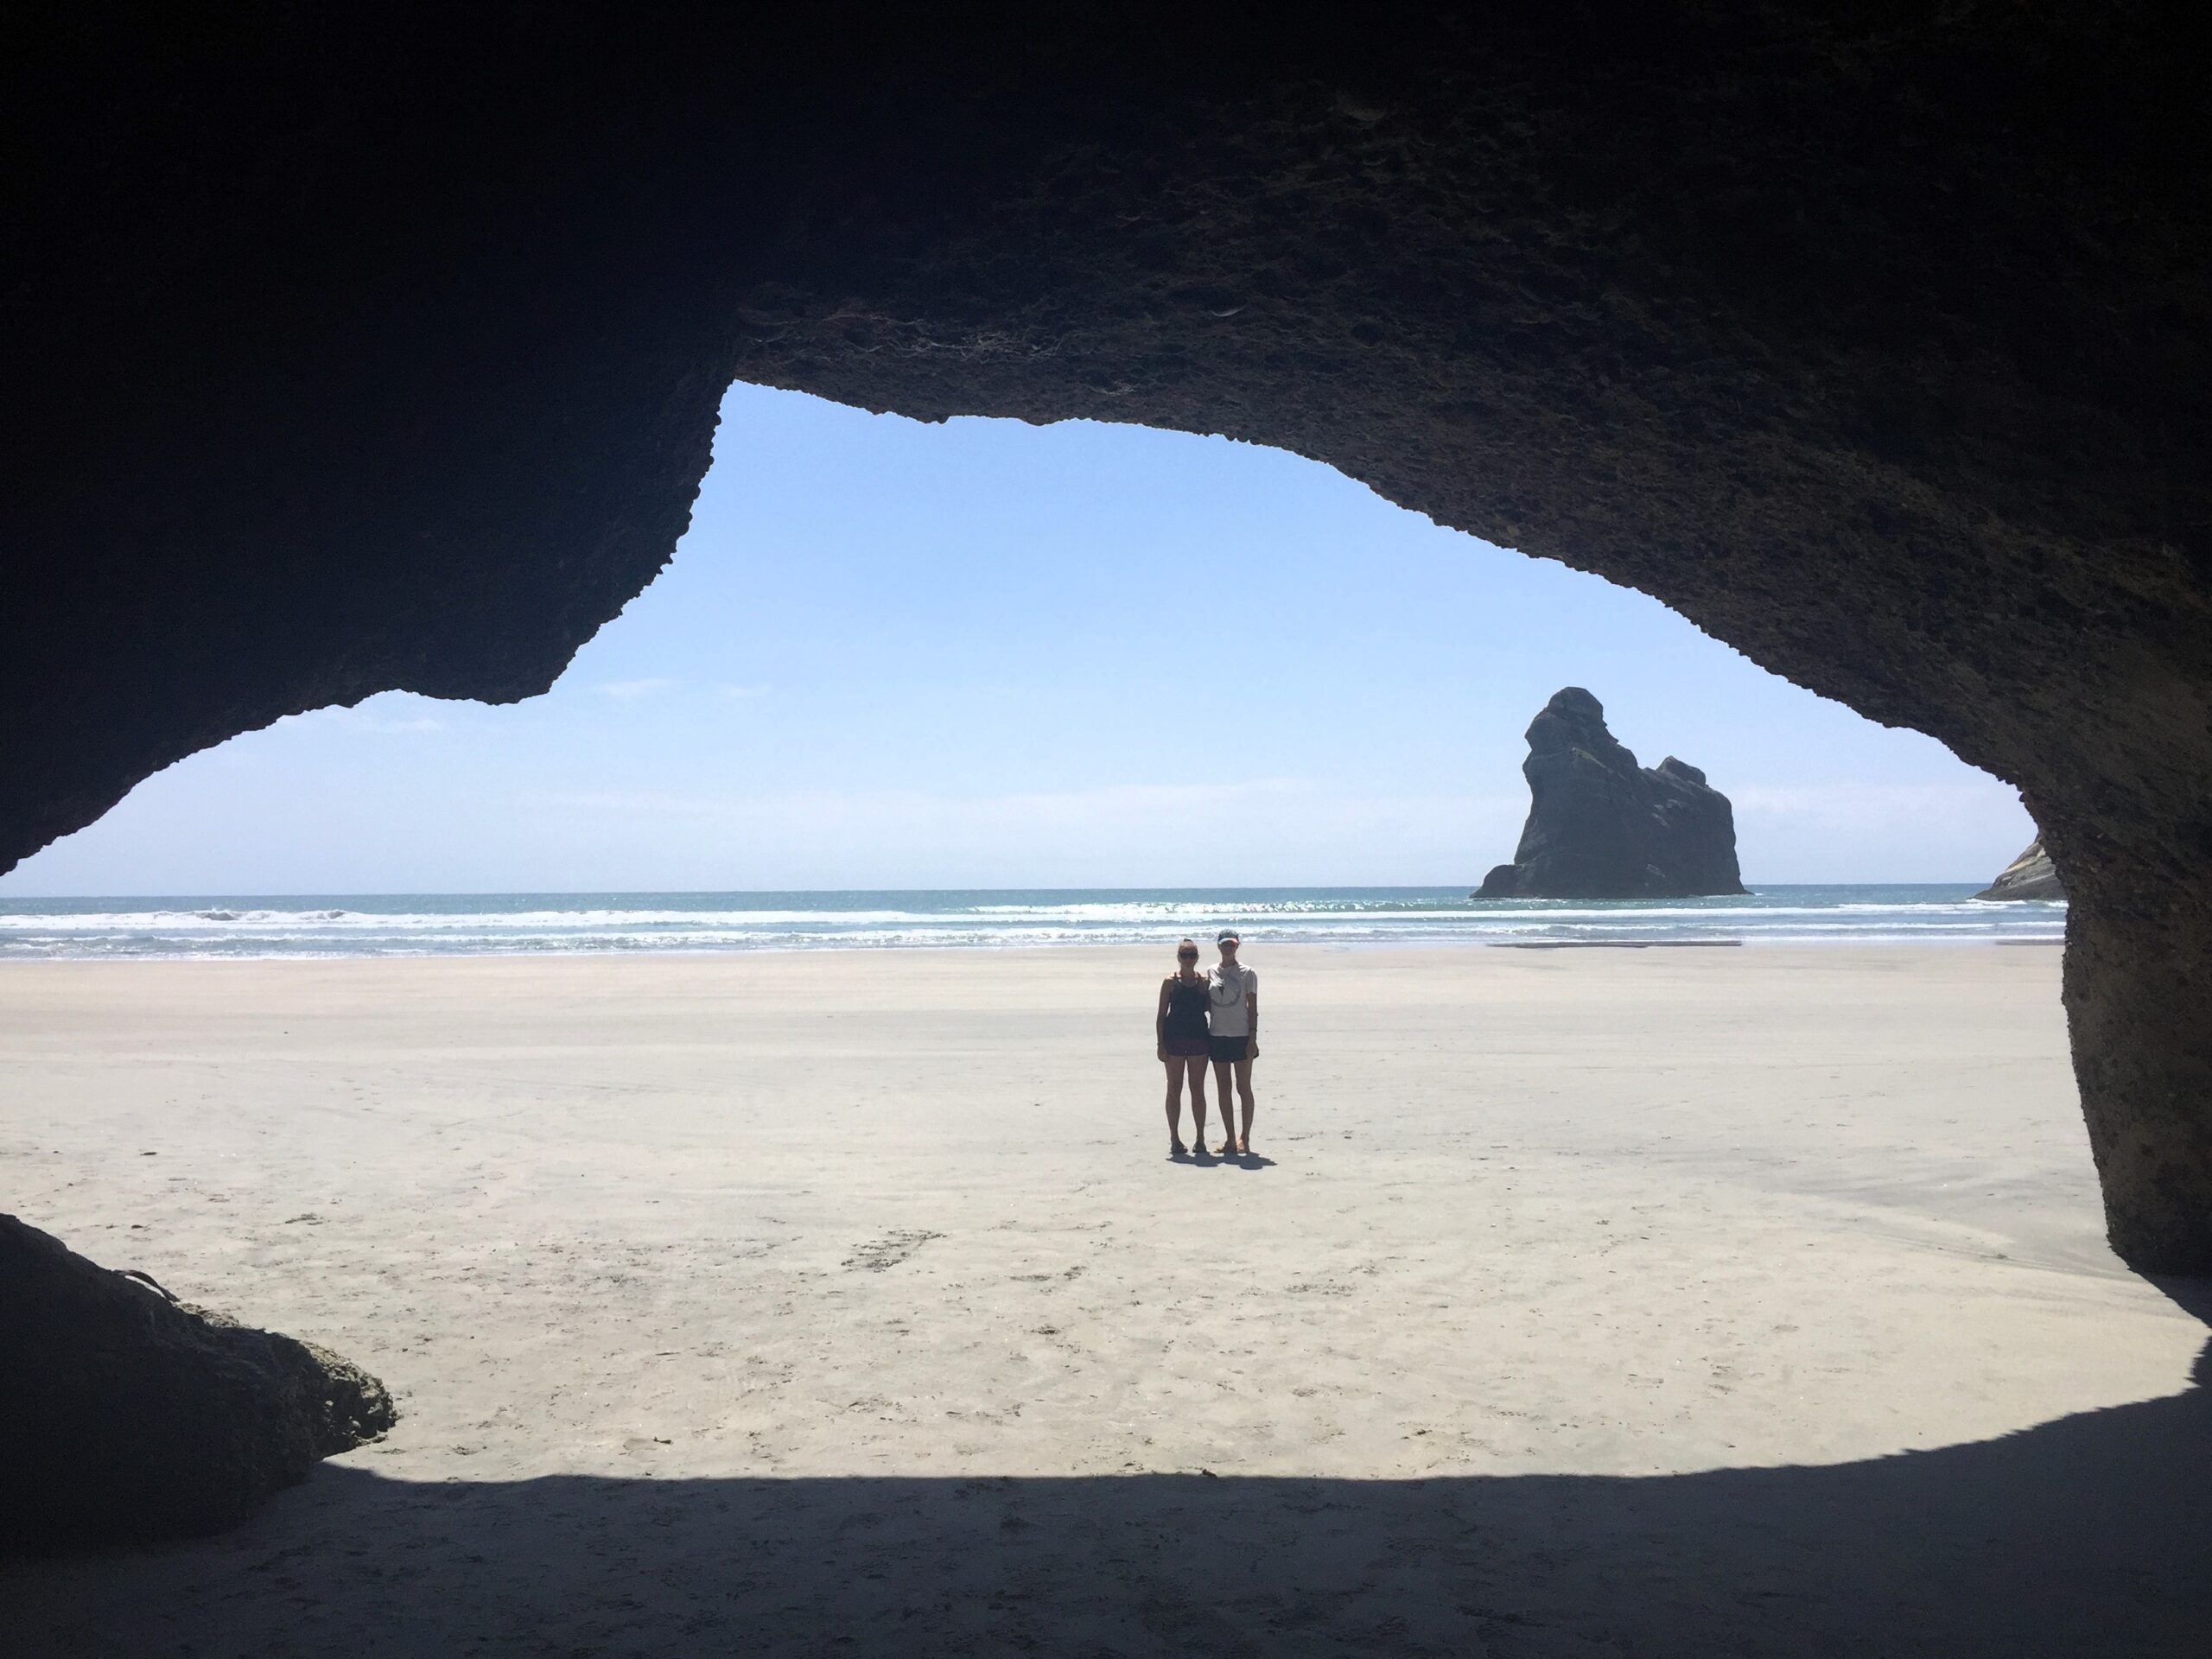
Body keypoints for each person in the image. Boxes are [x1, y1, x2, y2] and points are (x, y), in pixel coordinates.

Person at [1154, 938, 1212, 1156]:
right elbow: (1160, 1016)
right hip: (1174, 1040)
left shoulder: (1204, 981)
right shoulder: (1170, 982)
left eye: (1192, 954)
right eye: (1184, 954)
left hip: (1199, 1039)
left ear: (1197, 957)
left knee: (1197, 1089)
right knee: (1174, 1088)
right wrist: (1160, 1044)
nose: (1188, 958)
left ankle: (1200, 1139)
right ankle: (1175, 1138)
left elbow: (1211, 1008)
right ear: (1178, 958)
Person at [1207, 929, 1258, 1154]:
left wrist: (1253, 1038)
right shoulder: (1211, 971)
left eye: (1232, 944)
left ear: (1237, 946)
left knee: (1243, 1087)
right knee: (1223, 1088)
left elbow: (1253, 1008)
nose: (1228, 947)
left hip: (1241, 1035)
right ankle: (1229, 1138)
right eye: (1224, 944)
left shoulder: (1248, 973)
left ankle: (1244, 1137)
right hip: (1217, 1035)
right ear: (1218, 946)